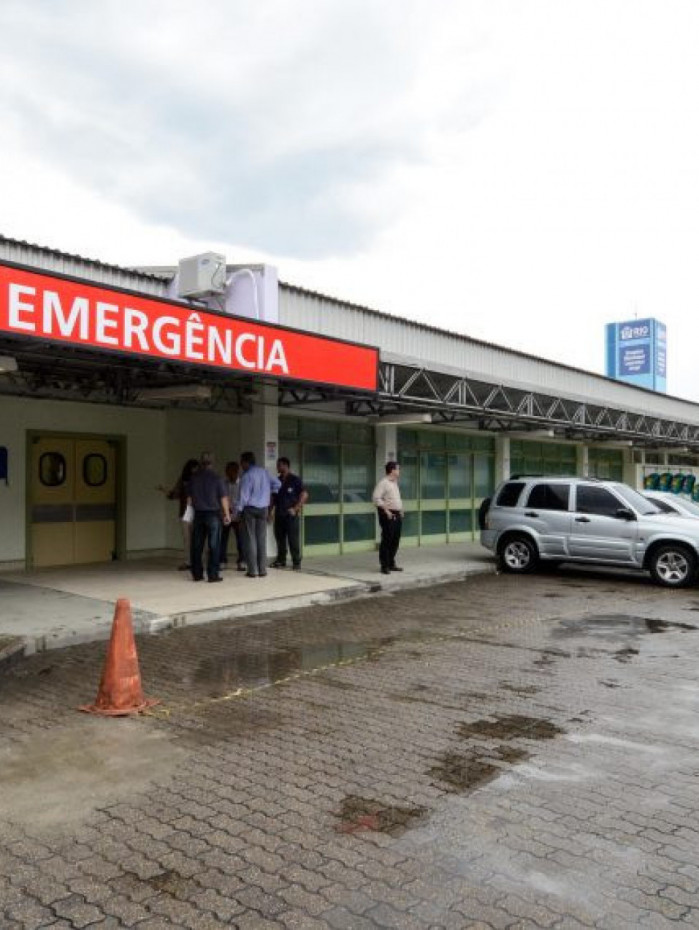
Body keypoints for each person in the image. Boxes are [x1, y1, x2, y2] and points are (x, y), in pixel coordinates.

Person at [186, 452, 231, 583]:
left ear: (201, 462)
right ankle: (212, 574)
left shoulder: (194, 478)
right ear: (213, 462)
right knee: (214, 545)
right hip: (213, 514)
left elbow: (189, 499)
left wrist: (189, 516)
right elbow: (223, 498)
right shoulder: (218, 478)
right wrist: (227, 515)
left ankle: (197, 574)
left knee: (196, 545)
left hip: (198, 514)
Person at [236, 451, 277, 578]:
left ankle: (252, 570)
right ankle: (262, 570)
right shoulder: (264, 472)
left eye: (242, 462)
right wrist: (269, 493)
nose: (241, 465)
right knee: (261, 539)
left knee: (250, 538)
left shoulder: (247, 476)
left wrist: (238, 510)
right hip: (263, 508)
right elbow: (277, 484)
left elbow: (243, 496)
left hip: (250, 509)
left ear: (246, 462)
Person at [158, 458, 199, 571]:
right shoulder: (183, 480)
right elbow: (174, 494)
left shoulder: (200, 479)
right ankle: (188, 561)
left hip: (198, 511)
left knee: (197, 538)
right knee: (187, 538)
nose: (196, 470)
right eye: (194, 467)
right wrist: (165, 490)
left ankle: (196, 560)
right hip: (185, 511)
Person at [271, 457, 309, 570]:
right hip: (279, 514)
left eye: (279, 465)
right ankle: (281, 560)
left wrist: (296, 508)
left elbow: (305, 494)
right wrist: (270, 512)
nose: (277, 467)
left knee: (293, 539)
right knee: (280, 539)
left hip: (291, 515)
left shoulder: (295, 479)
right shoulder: (277, 481)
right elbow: (273, 498)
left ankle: (296, 562)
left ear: (285, 465)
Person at [372, 461, 404, 575]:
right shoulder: (383, 483)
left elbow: (396, 499)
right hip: (388, 515)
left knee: (395, 540)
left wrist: (401, 509)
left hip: (397, 514)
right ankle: (384, 565)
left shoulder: (394, 483)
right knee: (387, 540)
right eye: (398, 469)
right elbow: (376, 498)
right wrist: (386, 510)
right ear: (392, 470)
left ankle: (391, 563)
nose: (399, 471)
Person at [219, 461, 245, 571]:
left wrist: (239, 512)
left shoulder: (242, 483)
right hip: (226, 514)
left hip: (238, 515)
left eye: (231, 473)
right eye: (227, 473)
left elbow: (243, 499)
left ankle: (242, 561)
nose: (229, 475)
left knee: (241, 539)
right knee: (223, 539)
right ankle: (222, 561)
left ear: (237, 472)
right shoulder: (223, 483)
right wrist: (225, 510)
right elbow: (220, 497)